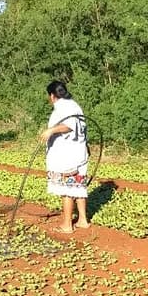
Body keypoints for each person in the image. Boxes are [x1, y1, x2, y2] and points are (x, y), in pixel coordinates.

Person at [39, 80, 91, 233]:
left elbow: (69, 126)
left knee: (67, 187)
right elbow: (81, 127)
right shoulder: (74, 104)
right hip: (79, 151)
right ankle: (82, 220)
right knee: (79, 186)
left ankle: (67, 224)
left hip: (67, 155)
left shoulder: (63, 106)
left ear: (52, 95)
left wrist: (50, 131)